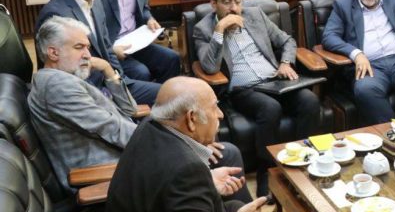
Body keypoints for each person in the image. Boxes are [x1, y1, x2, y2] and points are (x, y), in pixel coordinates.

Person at [28, 16, 250, 202]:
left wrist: (108, 70)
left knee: (219, 150)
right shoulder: (57, 86)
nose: (88, 54)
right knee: (226, 154)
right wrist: (184, 144)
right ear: (53, 53)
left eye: (87, 47)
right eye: (79, 47)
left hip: (125, 154)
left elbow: (130, 109)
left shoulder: (65, 78)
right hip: (109, 172)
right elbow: (112, 128)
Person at [94, 77, 285, 212]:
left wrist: (207, 181)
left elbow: (164, 186)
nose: (220, 114)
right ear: (191, 119)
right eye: (214, 107)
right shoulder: (185, 170)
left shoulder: (149, 125)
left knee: (235, 207)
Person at [193, 0, 320, 194]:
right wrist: (219, 30)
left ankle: (303, 163)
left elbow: (287, 40)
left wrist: (285, 62)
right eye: (226, 1)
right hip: (243, 89)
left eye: (238, 0)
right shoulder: (203, 29)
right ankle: (266, 174)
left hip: (274, 81)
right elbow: (210, 67)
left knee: (310, 100)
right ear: (213, 3)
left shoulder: (255, 15)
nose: (234, 8)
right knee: (270, 108)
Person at [35, 0, 160, 105]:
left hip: (109, 82)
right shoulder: (55, 15)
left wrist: (119, 80)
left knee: (171, 94)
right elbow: (61, 72)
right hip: (86, 95)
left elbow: (107, 49)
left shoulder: (96, 3)